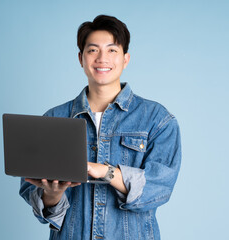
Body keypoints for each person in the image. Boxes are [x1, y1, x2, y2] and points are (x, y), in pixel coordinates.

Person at [19, 15, 181, 240]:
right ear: (81, 58)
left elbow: (159, 188)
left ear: (126, 58)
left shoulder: (157, 119)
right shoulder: (53, 119)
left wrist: (105, 171)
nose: (102, 58)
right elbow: (38, 201)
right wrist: (52, 195)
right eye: (93, 50)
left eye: (112, 50)